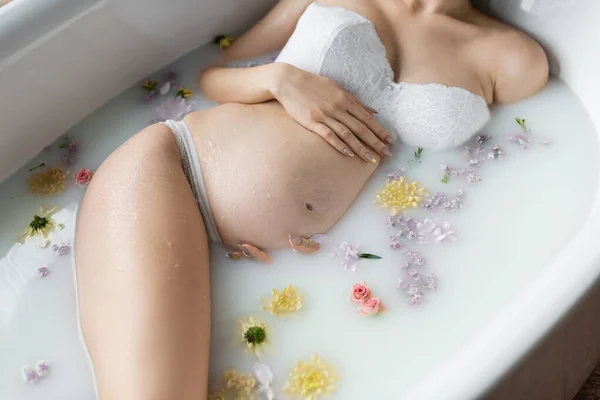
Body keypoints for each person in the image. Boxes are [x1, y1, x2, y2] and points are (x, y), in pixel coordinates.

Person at [74, 0, 548, 398]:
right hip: (171, 169)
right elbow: (212, 72)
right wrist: (282, 80)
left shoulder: (512, 59)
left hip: (254, 253)